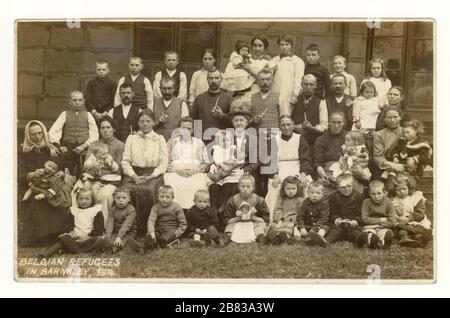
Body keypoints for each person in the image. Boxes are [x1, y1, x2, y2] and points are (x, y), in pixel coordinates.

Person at [18, 120, 72, 246]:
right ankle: (39, 238)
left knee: (58, 198)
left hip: (54, 184)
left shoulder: (52, 148)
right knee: (38, 201)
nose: (37, 137)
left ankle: (56, 235)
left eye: (40, 133)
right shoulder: (23, 151)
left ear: (44, 132)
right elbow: (18, 173)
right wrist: (31, 175)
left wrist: (61, 173)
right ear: (27, 135)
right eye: (33, 134)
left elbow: (63, 166)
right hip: (34, 185)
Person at [208, 105, 260, 227]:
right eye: (236, 120)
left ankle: (231, 217)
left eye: (242, 120)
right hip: (224, 169)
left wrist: (244, 171)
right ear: (232, 122)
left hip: (243, 171)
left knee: (233, 184)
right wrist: (216, 165)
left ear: (247, 122)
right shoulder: (226, 136)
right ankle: (217, 218)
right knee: (215, 185)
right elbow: (217, 152)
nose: (239, 123)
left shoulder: (253, 139)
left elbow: (256, 161)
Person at [121, 109, 168, 235]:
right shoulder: (131, 139)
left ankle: (148, 228)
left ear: (153, 123)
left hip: (153, 175)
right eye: (142, 121)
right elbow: (125, 162)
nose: (145, 124)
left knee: (149, 191)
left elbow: (163, 164)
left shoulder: (159, 139)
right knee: (125, 190)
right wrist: (134, 176)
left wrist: (151, 176)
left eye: (148, 121)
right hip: (134, 174)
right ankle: (130, 228)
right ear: (138, 123)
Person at [265, 115, 313, 215]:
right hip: (279, 168)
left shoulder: (300, 138)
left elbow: (305, 158)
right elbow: (269, 159)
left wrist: (303, 173)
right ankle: (272, 219)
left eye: (288, 124)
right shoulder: (274, 139)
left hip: (297, 166)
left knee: (306, 184)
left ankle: (306, 217)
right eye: (283, 125)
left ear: (293, 124)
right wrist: (275, 175)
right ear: (279, 126)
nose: (286, 127)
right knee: (275, 186)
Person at [38, 189, 104, 259]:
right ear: (77, 199)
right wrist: (70, 232)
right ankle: (45, 255)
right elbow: (68, 225)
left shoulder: (96, 210)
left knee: (101, 239)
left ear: (92, 199)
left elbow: (99, 229)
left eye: (87, 198)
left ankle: (70, 250)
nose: (83, 201)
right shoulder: (73, 210)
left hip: (90, 238)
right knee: (63, 239)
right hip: (76, 238)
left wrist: (88, 235)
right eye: (80, 198)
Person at [48, 91, 99, 175]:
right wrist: (59, 146)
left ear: (83, 101)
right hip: (68, 148)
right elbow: (53, 131)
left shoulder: (88, 115)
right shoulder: (64, 114)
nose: (77, 102)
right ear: (70, 102)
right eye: (74, 100)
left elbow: (95, 134)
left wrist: (83, 146)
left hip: (84, 147)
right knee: (66, 171)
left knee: (83, 171)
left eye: (80, 100)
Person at [164, 117, 210, 210]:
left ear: (192, 130)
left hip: (195, 172)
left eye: (189, 128)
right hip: (175, 172)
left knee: (199, 182)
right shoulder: (172, 142)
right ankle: (177, 212)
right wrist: (177, 171)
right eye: (183, 128)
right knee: (173, 182)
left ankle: (196, 213)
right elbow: (165, 161)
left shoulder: (199, 143)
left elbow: (205, 162)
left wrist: (194, 171)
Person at [223, 175, 270, 245]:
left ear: (253, 187)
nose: (245, 189)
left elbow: (264, 219)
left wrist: (252, 217)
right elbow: (227, 220)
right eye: (243, 186)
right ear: (239, 187)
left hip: (253, 223)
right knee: (230, 227)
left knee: (260, 226)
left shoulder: (258, 200)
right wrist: (238, 218)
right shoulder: (233, 199)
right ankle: (225, 239)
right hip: (238, 223)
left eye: (248, 186)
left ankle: (261, 239)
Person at [390, 174, 432, 247]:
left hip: (416, 221)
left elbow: (420, 214)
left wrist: (408, 219)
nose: (402, 192)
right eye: (398, 190)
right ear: (394, 190)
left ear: (409, 188)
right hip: (402, 224)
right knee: (402, 230)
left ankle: (420, 240)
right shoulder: (394, 200)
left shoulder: (415, 198)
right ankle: (404, 239)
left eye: (404, 188)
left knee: (418, 230)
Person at [191, 69, 232, 139]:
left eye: (216, 78)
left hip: (222, 139)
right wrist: (197, 140)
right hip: (203, 139)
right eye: (211, 78)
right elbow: (194, 120)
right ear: (207, 80)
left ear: (221, 79)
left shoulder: (228, 99)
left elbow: (234, 121)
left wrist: (222, 116)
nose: (214, 81)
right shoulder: (199, 99)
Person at [144, 185, 187, 250]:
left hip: (172, 231)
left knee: (166, 237)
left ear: (172, 197)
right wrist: (151, 232)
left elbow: (183, 224)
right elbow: (151, 221)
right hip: (160, 230)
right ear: (157, 197)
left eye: (168, 197)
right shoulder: (155, 207)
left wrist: (177, 233)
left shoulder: (177, 207)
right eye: (162, 196)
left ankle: (159, 242)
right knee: (153, 234)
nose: (164, 199)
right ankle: (150, 242)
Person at [327, 174, 366, 247]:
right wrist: (336, 220)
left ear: (353, 185)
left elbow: (362, 214)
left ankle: (360, 240)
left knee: (355, 232)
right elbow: (332, 213)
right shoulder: (332, 197)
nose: (347, 189)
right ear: (338, 187)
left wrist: (356, 221)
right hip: (339, 226)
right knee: (334, 232)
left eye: (349, 186)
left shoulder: (360, 197)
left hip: (352, 225)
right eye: (343, 187)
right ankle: (326, 242)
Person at [271, 34, 305, 116]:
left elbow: (299, 80)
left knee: (285, 117)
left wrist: (295, 95)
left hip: (288, 94)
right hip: (275, 92)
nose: (284, 47)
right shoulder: (275, 60)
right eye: (282, 45)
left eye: (287, 44)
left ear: (291, 45)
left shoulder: (297, 61)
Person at [292, 74, 329, 148]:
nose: (308, 87)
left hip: (313, 142)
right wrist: (294, 127)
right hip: (295, 140)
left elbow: (324, 125)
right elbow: (285, 120)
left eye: (311, 85)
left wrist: (312, 128)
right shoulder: (294, 101)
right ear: (301, 85)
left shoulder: (321, 103)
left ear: (316, 86)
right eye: (306, 84)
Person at [265, 176, 304, 245]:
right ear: (283, 189)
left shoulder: (300, 199)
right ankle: (273, 236)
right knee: (274, 226)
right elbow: (277, 209)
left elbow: (300, 213)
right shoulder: (282, 198)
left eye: (293, 188)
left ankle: (283, 237)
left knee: (293, 228)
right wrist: (279, 220)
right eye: (288, 189)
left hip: (292, 221)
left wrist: (292, 221)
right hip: (282, 219)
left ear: (298, 189)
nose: (291, 191)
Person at [314, 111, 347, 191]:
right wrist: (323, 176)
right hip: (327, 170)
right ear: (329, 122)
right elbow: (318, 162)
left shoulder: (348, 137)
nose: (336, 126)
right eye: (333, 122)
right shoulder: (321, 140)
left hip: (346, 169)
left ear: (344, 123)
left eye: (339, 122)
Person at [104, 187, 143, 254]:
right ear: (114, 199)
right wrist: (108, 236)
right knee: (111, 239)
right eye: (118, 198)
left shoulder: (131, 210)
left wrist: (119, 237)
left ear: (129, 199)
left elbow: (127, 225)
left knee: (125, 240)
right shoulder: (112, 210)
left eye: (124, 198)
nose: (121, 200)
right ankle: (112, 247)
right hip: (116, 232)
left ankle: (137, 247)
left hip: (129, 232)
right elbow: (110, 224)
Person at [361, 180, 396, 249]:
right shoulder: (366, 202)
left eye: (379, 193)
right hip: (370, 227)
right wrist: (381, 220)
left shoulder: (388, 202)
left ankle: (385, 242)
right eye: (373, 194)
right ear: (369, 193)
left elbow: (392, 221)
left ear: (384, 193)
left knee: (385, 233)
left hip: (384, 227)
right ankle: (372, 242)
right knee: (369, 234)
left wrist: (378, 226)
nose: (376, 196)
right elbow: (365, 219)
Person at [373, 106, 405, 181]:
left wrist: (413, 159)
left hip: (404, 166)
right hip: (386, 167)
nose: (392, 120)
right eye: (389, 117)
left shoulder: (406, 132)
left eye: (395, 117)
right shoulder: (379, 135)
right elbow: (377, 157)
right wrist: (392, 165)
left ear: (400, 117)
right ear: (384, 119)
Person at [296, 182, 330, 247]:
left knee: (324, 228)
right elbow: (300, 216)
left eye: (318, 193)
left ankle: (319, 238)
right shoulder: (305, 202)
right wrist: (302, 227)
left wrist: (315, 228)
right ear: (308, 193)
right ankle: (296, 238)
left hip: (319, 225)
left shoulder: (324, 203)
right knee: (296, 225)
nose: (315, 195)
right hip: (307, 225)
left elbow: (324, 219)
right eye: (312, 192)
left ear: (322, 194)